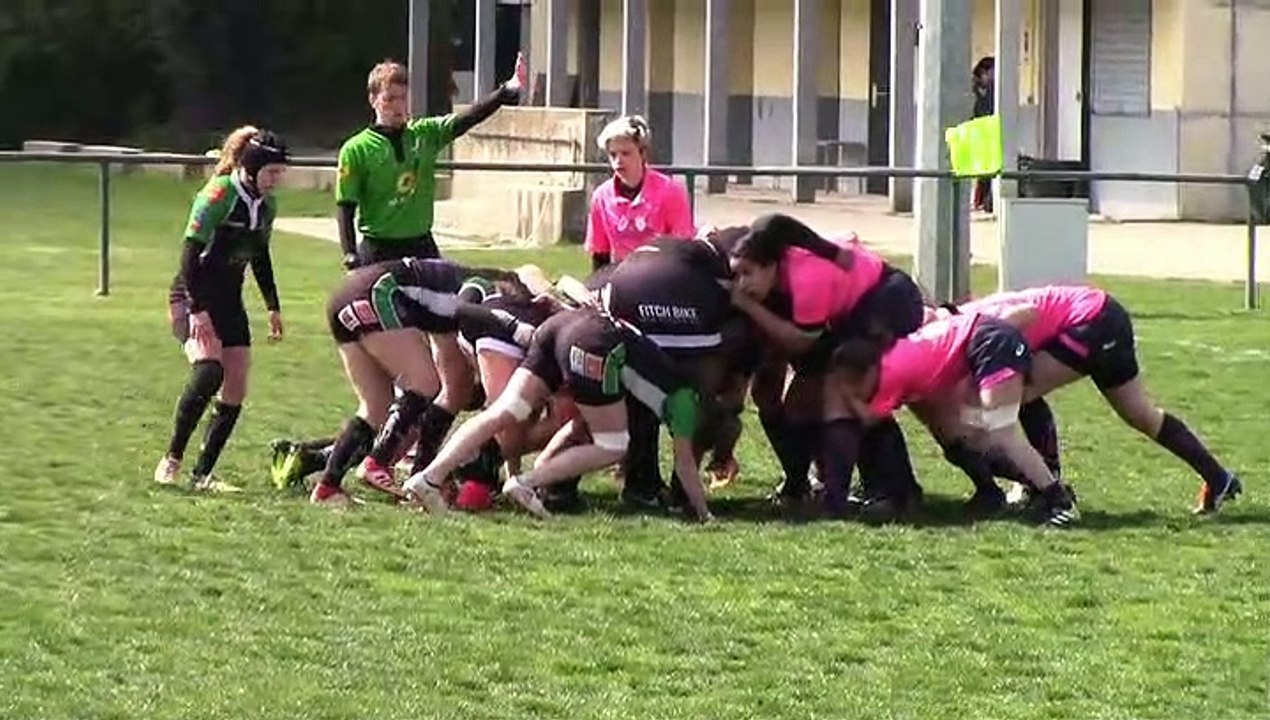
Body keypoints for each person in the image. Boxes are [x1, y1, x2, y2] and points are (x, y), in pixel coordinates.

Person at [941, 284, 1243, 514]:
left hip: (1092, 320)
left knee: (1015, 396)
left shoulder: (973, 323)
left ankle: (1046, 486)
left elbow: (1027, 312)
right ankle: (1219, 478)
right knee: (1141, 414)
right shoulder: (964, 320)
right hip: (1104, 313)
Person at [401, 309, 714, 522]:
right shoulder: (686, 403)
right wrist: (704, 514)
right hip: (594, 345)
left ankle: (429, 477)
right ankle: (525, 483)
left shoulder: (665, 377)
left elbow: (575, 426)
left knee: (507, 410)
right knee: (614, 445)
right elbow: (685, 466)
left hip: (561, 326)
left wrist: (545, 460)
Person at [725, 214, 928, 516]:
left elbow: (801, 342)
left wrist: (748, 306)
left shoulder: (807, 279)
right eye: (736, 274)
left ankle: (895, 492)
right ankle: (809, 486)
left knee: (848, 390)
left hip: (889, 300)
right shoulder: (774, 268)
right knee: (800, 402)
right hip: (854, 310)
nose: (740, 284)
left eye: (747, 273)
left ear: (772, 266)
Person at [309, 257, 531, 506]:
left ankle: (328, 487)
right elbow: (463, 308)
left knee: (376, 407)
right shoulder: (484, 284)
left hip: (347, 295)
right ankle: (377, 462)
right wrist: (513, 326)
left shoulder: (440, 307)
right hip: (374, 292)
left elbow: (454, 383)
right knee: (425, 383)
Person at [827, 311, 1080, 527]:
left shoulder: (891, 373)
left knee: (1002, 432)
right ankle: (1023, 490)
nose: (856, 392)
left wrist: (848, 398)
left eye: (854, 384)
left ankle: (1058, 499)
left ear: (868, 372)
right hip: (987, 339)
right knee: (973, 430)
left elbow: (870, 419)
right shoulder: (890, 359)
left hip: (991, 341)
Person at [154, 126, 290, 491]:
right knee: (209, 370)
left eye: (280, 172)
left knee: (237, 384)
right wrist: (197, 310)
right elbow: (189, 256)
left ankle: (203, 475)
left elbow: (260, 255)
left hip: (229, 299)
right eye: (271, 172)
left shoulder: (267, 205)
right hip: (192, 295)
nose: (276, 180)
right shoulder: (219, 194)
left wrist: (273, 306)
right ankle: (171, 460)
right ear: (252, 168)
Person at [336, 54, 526, 267]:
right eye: (389, 99)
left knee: (452, 287)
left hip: (422, 246)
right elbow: (345, 205)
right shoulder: (356, 149)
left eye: (403, 98)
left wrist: (505, 92)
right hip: (378, 249)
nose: (398, 106)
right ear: (373, 100)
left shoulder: (424, 134)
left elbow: (466, 119)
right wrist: (349, 253)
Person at [585, 115, 695, 271]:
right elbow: (600, 254)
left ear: (643, 153)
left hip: (664, 275)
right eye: (613, 155)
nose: (618, 161)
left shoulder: (671, 191)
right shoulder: (601, 197)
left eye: (626, 153)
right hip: (621, 277)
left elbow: (682, 249)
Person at [971, 56, 996, 213]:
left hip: (988, 130)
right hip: (977, 130)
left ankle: (983, 200)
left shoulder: (992, 90)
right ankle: (980, 200)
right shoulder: (973, 90)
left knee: (987, 169)